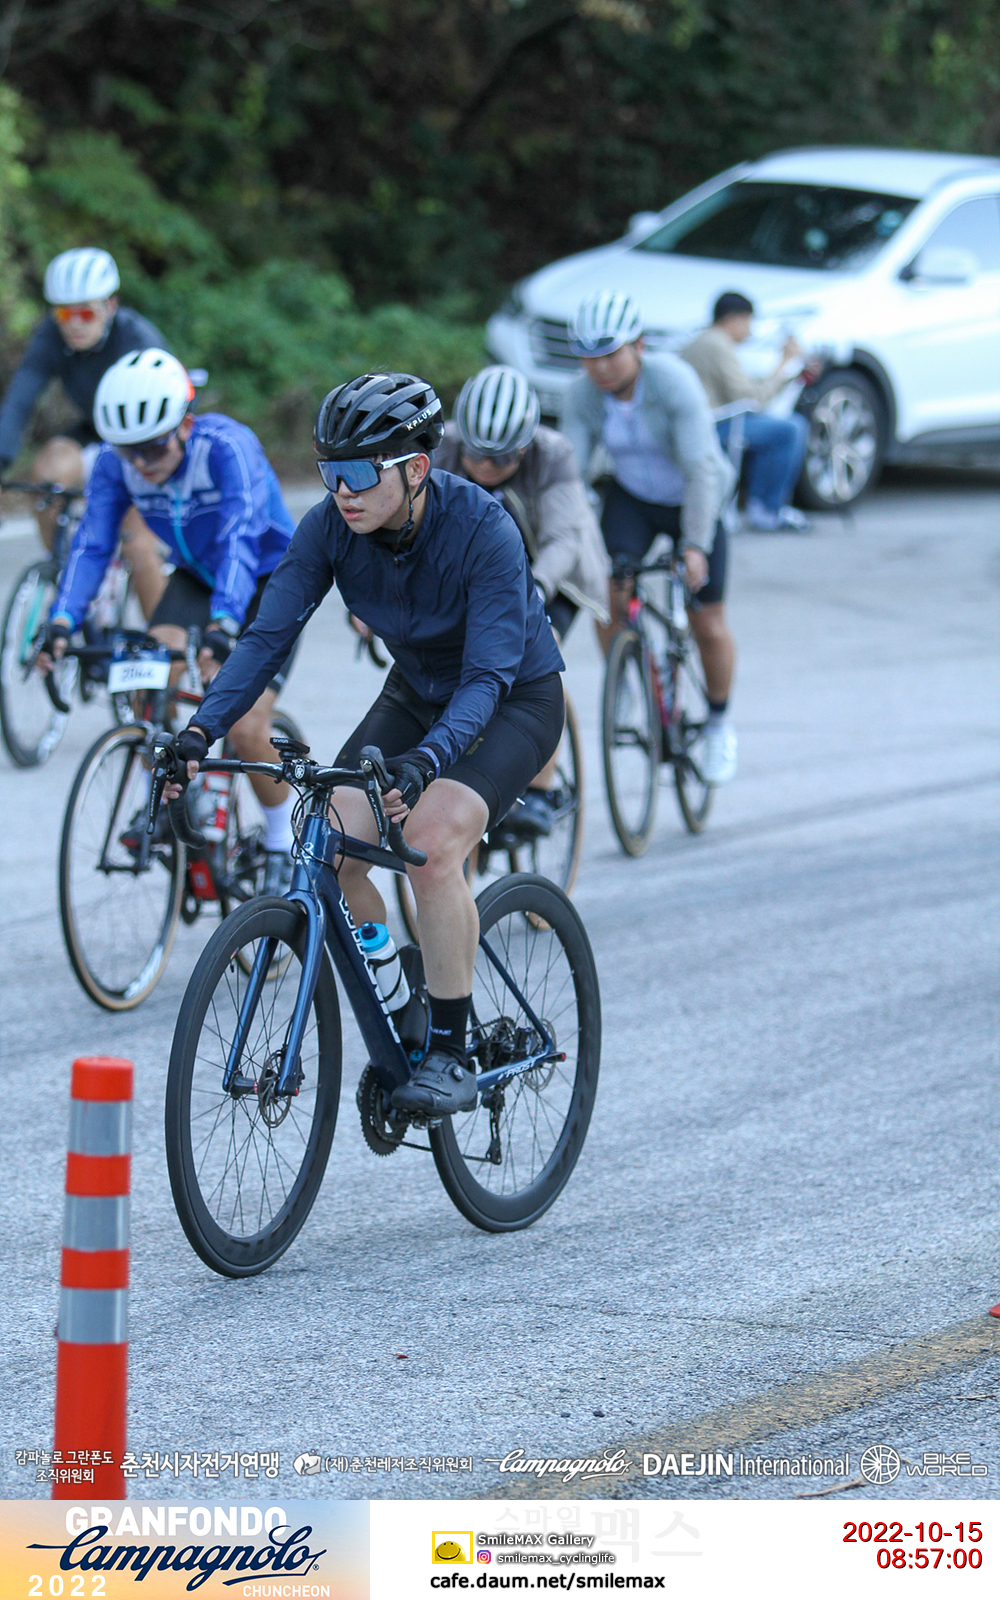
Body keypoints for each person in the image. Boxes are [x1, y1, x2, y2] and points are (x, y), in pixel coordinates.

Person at [167, 371, 566, 1119]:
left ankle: (449, 1047)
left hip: (512, 699)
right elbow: (265, 638)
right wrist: (199, 731)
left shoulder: (483, 527)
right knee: (328, 837)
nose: (341, 491)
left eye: (358, 472)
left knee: (430, 846)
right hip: (417, 692)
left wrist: (427, 763)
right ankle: (401, 998)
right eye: (329, 472)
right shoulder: (329, 528)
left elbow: (487, 677)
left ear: (416, 470)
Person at [38, 347, 299, 893]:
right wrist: (62, 620)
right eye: (128, 450)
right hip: (197, 575)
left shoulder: (227, 447)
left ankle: (283, 844)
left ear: (184, 423)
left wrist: (224, 626)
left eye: (153, 447)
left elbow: (239, 539)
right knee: (147, 675)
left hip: (268, 579)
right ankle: (181, 794)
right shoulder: (117, 465)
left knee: (246, 723)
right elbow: (92, 545)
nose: (141, 464)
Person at [562, 290, 738, 786]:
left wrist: (695, 546)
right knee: (606, 592)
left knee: (708, 621)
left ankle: (719, 724)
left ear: (638, 346)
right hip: (633, 498)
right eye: (588, 357)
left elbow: (702, 469)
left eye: (610, 353)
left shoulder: (672, 381)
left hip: (693, 497)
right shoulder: (581, 394)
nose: (599, 368)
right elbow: (570, 474)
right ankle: (625, 679)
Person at [436, 362, 609, 834]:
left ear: (525, 446)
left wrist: (530, 593)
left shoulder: (554, 453)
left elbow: (563, 541)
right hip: (478, 575)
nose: (487, 468)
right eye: (477, 456)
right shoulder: (441, 447)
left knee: (533, 666)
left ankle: (540, 789)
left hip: (553, 575)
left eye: (502, 459)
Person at [0, 247, 168, 615]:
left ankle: (165, 643)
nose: (74, 324)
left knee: (138, 544)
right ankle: (71, 573)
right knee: (47, 476)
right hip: (93, 429)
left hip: (142, 441)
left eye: (86, 313)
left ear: (110, 305)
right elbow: (20, 398)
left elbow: (169, 419)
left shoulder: (137, 339)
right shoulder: (51, 336)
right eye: (64, 313)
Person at [681, 290, 812, 532]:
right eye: (748, 322)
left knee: (773, 428)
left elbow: (746, 389)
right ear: (732, 319)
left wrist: (785, 376)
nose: (750, 331)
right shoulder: (717, 344)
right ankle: (767, 508)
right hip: (716, 425)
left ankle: (761, 505)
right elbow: (752, 398)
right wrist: (785, 363)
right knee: (791, 429)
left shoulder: (704, 341)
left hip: (707, 422)